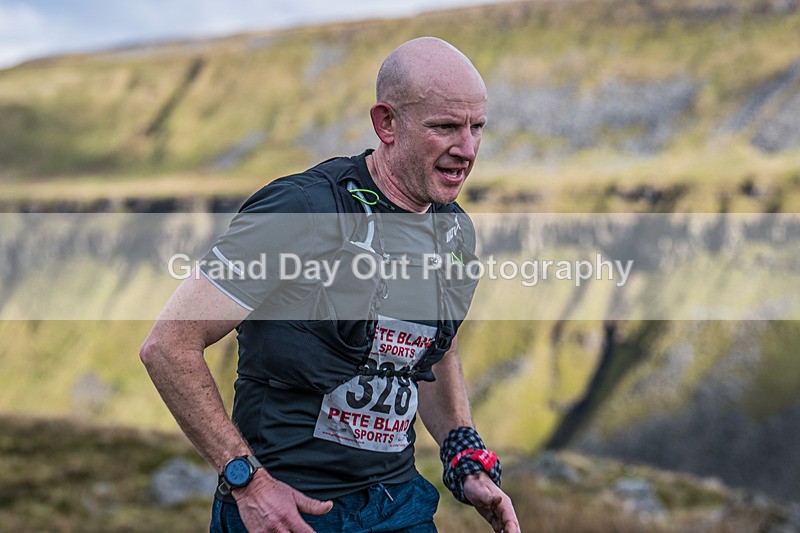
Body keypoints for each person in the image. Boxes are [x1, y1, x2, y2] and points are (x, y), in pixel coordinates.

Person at [140, 37, 520, 533]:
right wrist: (247, 483)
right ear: (386, 123)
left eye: (477, 128)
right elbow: (168, 345)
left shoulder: (453, 231)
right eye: (445, 127)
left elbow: (431, 353)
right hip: (288, 510)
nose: (466, 150)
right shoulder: (302, 210)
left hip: (400, 508)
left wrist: (463, 456)